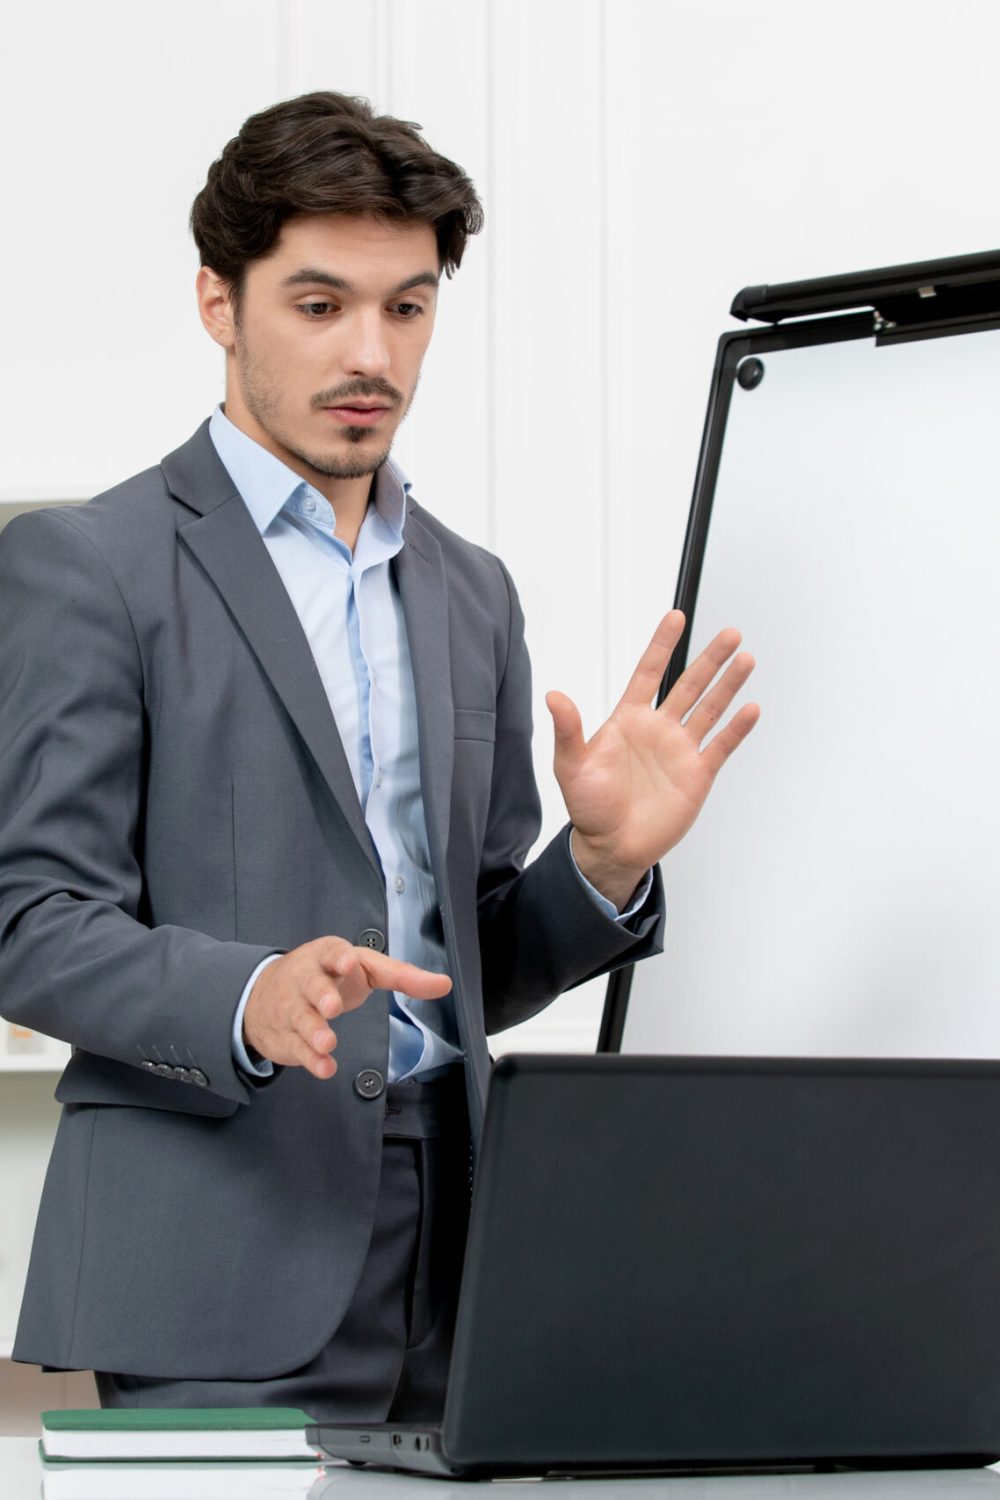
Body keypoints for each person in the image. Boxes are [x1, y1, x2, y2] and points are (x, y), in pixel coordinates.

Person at [0, 92, 758, 1419]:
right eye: (318, 302)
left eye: (406, 307)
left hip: (457, 1241)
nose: (371, 351)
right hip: (212, 1251)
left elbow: (464, 960)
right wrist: (250, 996)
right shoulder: (90, 567)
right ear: (217, 302)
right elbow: (30, 920)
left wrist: (594, 870)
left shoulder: (472, 591)